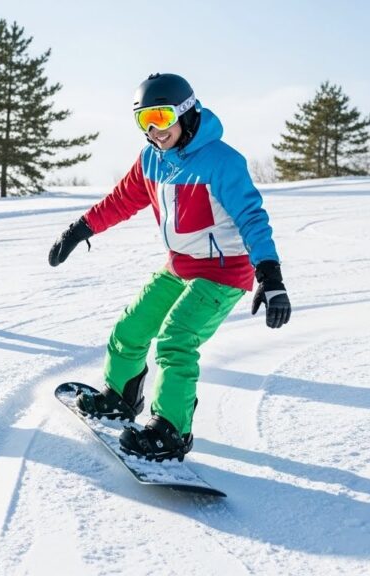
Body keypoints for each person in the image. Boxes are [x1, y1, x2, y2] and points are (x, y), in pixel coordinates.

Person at [48, 73, 291, 461]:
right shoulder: (151, 159)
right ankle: (120, 396)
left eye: (161, 118)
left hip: (223, 272)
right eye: (144, 121)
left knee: (177, 338)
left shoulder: (222, 161)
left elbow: (251, 217)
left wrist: (270, 275)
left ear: (187, 112)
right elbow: (120, 200)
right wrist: (81, 229)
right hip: (179, 267)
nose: (155, 131)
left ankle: (172, 430)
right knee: (132, 326)